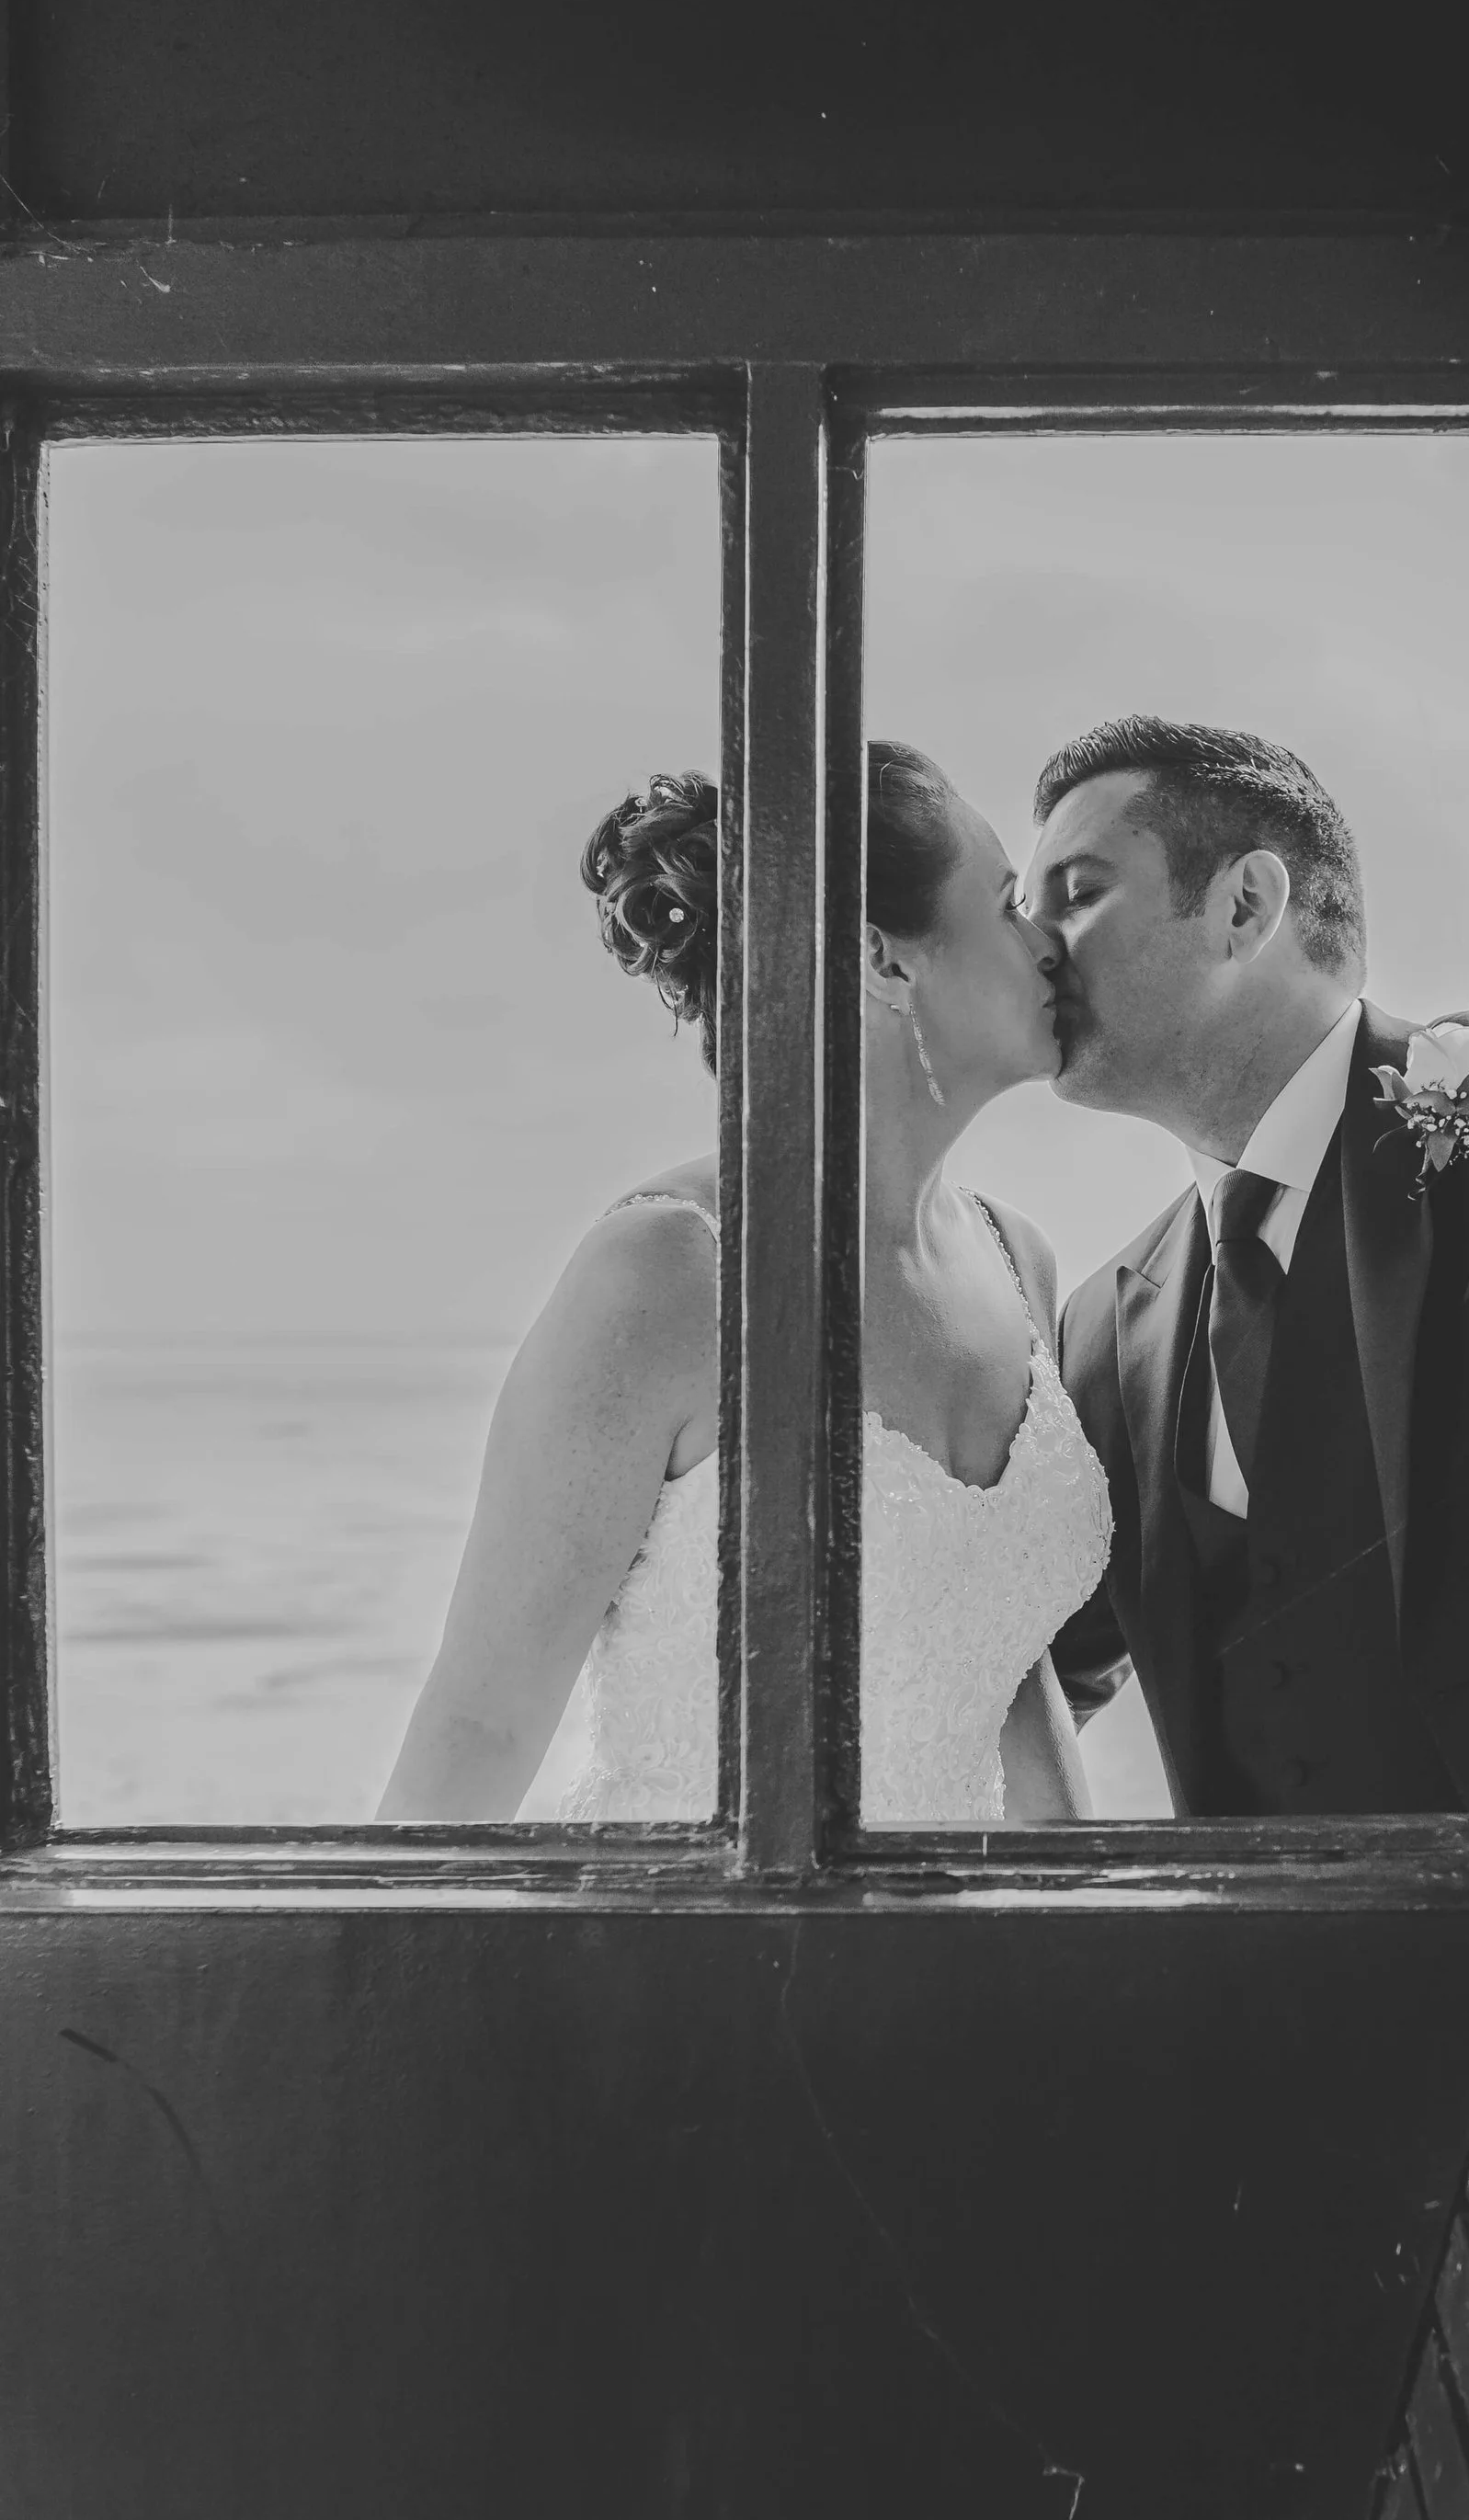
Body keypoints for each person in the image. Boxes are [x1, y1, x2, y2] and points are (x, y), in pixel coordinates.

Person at [377, 748, 1107, 1827]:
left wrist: (1094, 1943)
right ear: (883, 959)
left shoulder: (1017, 1260)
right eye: (1005, 904)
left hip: (955, 1978)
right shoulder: (669, 1274)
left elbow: (1009, 1678)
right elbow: (481, 1721)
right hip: (690, 1970)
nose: (1048, 941)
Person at [1027, 717, 1469, 1820]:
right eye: (1024, 910)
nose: (1038, 946)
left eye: (1077, 892)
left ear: (1244, 907)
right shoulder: (1102, 1324)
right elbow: (1037, 1666)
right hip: (1250, 1976)